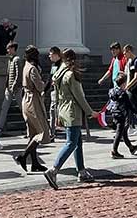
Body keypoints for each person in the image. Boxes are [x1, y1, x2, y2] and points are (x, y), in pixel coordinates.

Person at [43, 49, 96, 189]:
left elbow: (58, 97)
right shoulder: (71, 75)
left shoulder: (59, 74)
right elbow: (79, 96)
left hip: (64, 110)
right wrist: (91, 112)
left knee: (77, 142)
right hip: (73, 111)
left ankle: (82, 171)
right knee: (71, 143)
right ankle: (53, 170)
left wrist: (59, 115)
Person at [12, 45, 49, 173]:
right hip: (33, 101)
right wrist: (48, 82)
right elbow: (40, 87)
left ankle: (35, 163)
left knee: (33, 133)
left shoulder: (26, 66)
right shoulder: (32, 69)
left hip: (26, 100)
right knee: (41, 132)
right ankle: (23, 156)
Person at [104, 73, 137, 158]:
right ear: (123, 83)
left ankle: (131, 148)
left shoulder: (112, 91)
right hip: (121, 114)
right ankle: (114, 151)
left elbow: (110, 102)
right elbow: (129, 105)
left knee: (123, 132)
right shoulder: (123, 93)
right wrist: (136, 112)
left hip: (114, 113)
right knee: (119, 133)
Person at [0, 41, 22, 134]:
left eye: (9, 48)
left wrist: (14, 85)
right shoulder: (10, 59)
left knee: (23, 108)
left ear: (13, 49)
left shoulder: (17, 59)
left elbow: (18, 74)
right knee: (4, 108)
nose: (7, 50)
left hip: (16, 88)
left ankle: (30, 126)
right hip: (9, 88)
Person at [45, 46, 62, 140]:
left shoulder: (61, 65)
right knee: (52, 111)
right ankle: (52, 132)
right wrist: (45, 89)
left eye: (50, 54)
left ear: (56, 55)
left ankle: (53, 132)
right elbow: (50, 78)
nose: (49, 56)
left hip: (59, 91)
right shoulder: (54, 65)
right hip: (54, 91)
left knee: (55, 111)